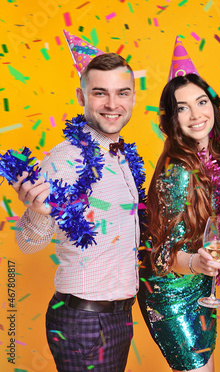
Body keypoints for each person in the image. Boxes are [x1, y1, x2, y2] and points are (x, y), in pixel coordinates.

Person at [10, 32, 144, 372]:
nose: (112, 104)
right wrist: (38, 213)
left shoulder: (123, 155)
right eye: (100, 93)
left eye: (121, 93)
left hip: (118, 316)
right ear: (81, 96)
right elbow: (26, 243)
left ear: (132, 98)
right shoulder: (64, 159)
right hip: (85, 321)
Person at [137, 37, 220, 372]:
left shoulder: (214, 157)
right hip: (172, 295)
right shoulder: (178, 172)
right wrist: (197, 264)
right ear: (173, 119)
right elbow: (157, 255)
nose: (196, 114)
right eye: (182, 107)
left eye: (201, 102)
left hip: (202, 288)